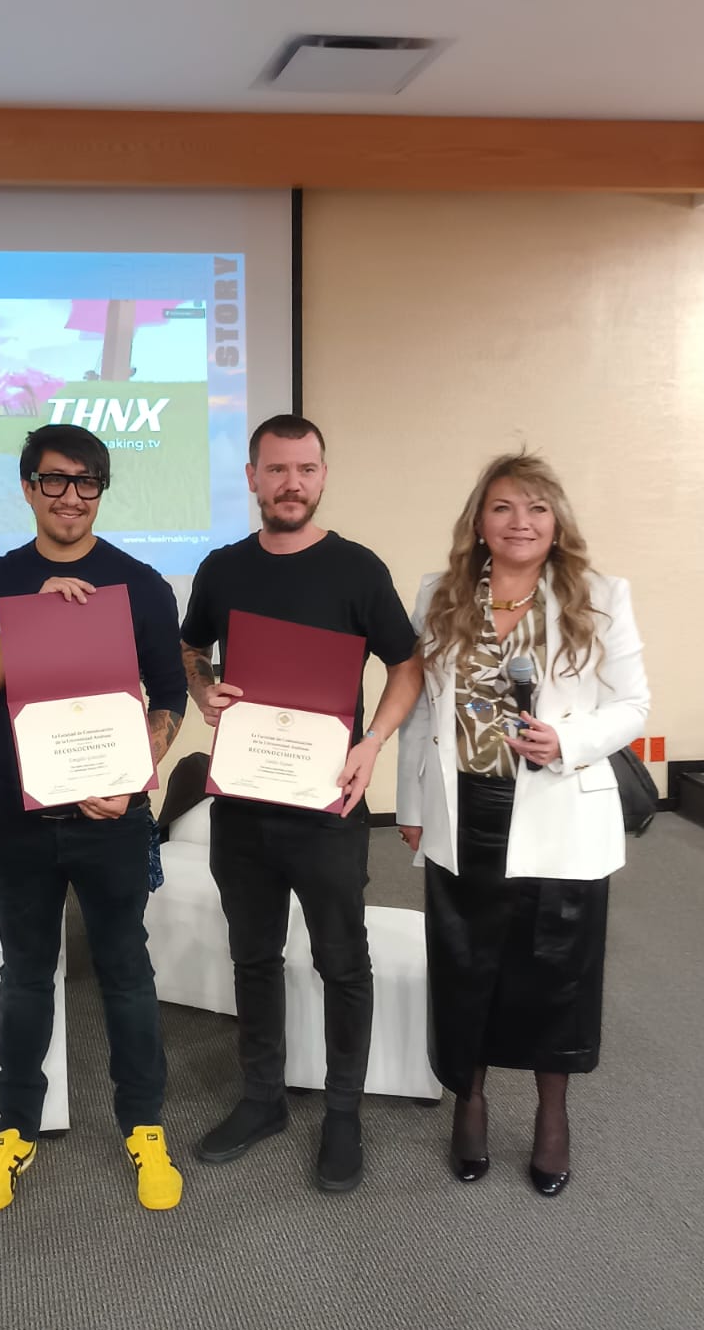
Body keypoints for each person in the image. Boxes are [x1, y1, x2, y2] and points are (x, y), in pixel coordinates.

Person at [0, 425, 187, 1213]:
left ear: (101, 491)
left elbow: (169, 696)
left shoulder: (142, 585)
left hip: (112, 818)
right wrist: (26, 625)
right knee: (25, 976)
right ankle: (14, 1129)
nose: (70, 497)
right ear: (28, 488)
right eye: (54, 481)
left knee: (126, 972)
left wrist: (136, 772)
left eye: (87, 483)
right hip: (18, 817)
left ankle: (144, 1126)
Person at [396, 452, 649, 1196]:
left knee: (556, 973)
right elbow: (420, 712)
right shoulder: (440, 594)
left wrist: (567, 740)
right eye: (504, 507)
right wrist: (410, 804)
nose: (521, 523)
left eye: (537, 509)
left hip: (560, 811)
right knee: (465, 964)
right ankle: (469, 1100)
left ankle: (551, 1114)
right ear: (480, 520)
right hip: (466, 810)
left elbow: (633, 705)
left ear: (557, 522)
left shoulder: (599, 596)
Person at [180, 414, 422, 1193]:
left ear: (322, 475)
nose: (292, 484)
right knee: (253, 955)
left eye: (306, 469)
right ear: (252, 476)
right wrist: (201, 689)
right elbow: (191, 647)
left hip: (327, 807)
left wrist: (373, 741)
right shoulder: (222, 569)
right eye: (277, 469)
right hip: (243, 806)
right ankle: (262, 1099)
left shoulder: (357, 569)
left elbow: (407, 666)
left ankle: (344, 1113)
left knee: (341, 960)